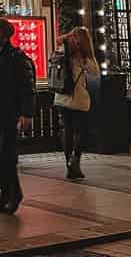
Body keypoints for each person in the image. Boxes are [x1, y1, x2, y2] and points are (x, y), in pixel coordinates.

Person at [0, 17, 35, 215]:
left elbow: (27, 87)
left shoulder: (16, 57)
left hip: (9, 112)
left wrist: (27, 114)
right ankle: (5, 196)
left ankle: (14, 194)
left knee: (7, 155)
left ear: (6, 34)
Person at [53, 26, 99, 180]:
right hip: (78, 99)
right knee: (83, 130)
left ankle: (70, 165)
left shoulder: (62, 51)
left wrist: (68, 37)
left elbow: (58, 41)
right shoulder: (83, 58)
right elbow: (95, 72)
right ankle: (75, 160)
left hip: (61, 97)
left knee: (68, 130)